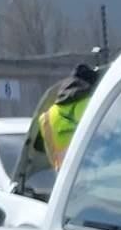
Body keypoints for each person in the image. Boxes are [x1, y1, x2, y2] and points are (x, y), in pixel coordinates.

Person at [12, 56, 101, 192]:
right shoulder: (93, 105)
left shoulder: (46, 117)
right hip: (96, 180)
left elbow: (41, 150)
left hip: (64, 185)